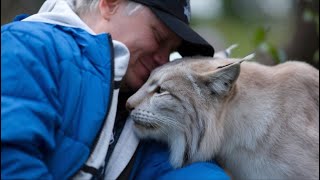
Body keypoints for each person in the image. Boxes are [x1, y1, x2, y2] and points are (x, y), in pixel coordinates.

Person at [1, 0, 230, 179]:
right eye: (159, 37)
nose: (163, 59)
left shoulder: (136, 96)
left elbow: (173, 166)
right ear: (110, 4)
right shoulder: (28, 47)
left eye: (171, 50)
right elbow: (11, 157)